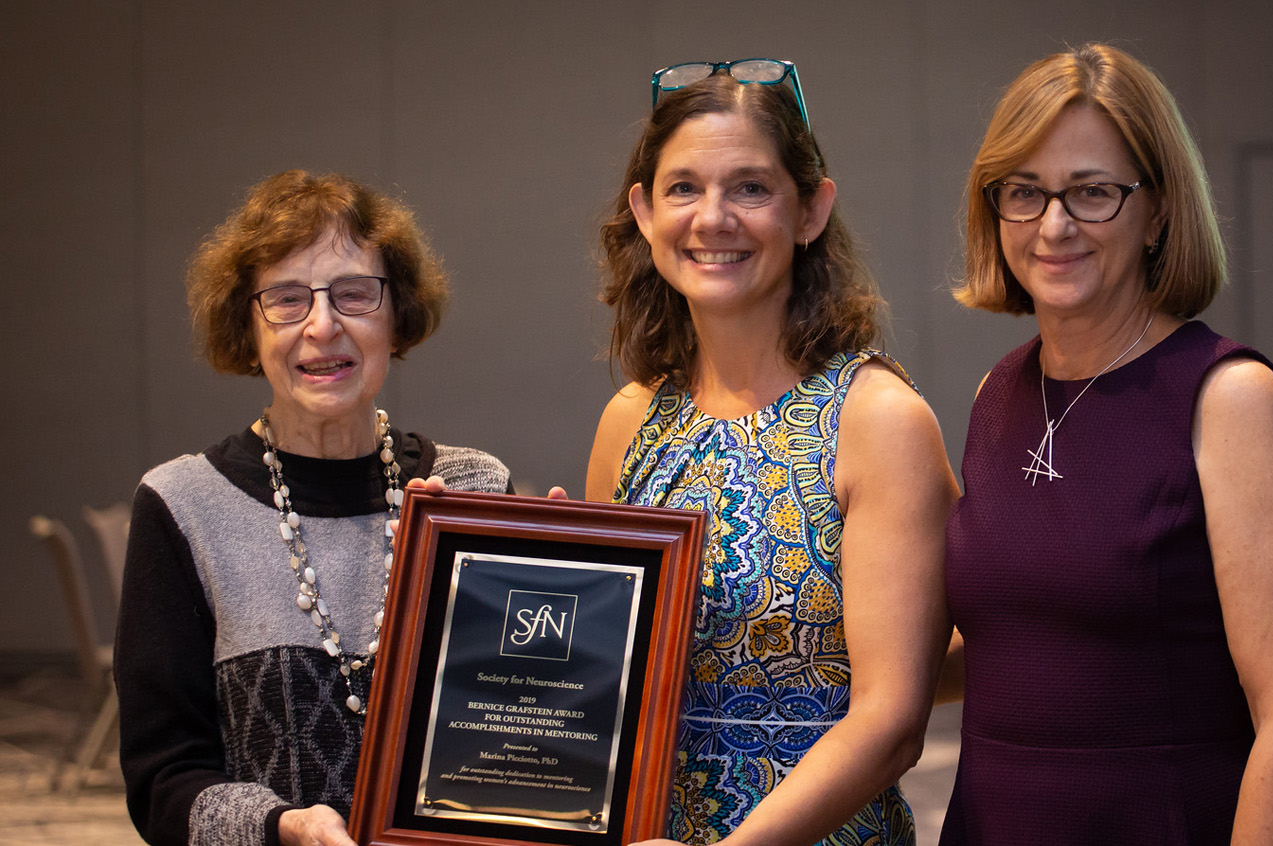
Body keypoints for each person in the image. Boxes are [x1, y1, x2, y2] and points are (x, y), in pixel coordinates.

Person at [941, 43, 1273, 845]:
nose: (1054, 225)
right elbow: (1006, 643)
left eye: (1092, 193)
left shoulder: (1229, 399)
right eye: (1025, 193)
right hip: (993, 821)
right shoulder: (997, 396)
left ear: (1158, 209)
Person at [584, 60, 957, 846]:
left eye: (750, 188)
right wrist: (540, 579)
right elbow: (605, 693)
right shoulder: (630, 423)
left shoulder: (875, 419)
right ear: (644, 213)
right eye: (683, 188)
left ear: (812, 210)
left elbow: (892, 723)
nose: (713, 217)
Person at [114, 170, 513, 846]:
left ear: (398, 314)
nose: (322, 325)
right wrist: (279, 826)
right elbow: (162, 783)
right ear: (247, 324)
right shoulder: (182, 505)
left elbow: (526, 723)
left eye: (355, 294)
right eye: (286, 299)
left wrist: (574, 581)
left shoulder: (473, 487)